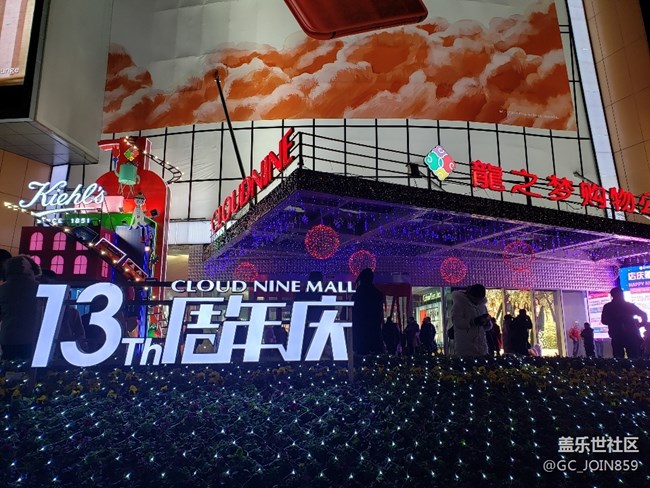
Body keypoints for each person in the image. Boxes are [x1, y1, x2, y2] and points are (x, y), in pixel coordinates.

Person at [0, 255, 41, 360]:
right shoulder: (40, 288)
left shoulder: (2, 289)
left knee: (8, 365)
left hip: (8, 337)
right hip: (34, 337)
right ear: (30, 270)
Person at [601, 287, 646, 359]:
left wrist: (613, 321)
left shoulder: (608, 306)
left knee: (619, 358)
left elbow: (604, 320)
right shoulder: (628, 306)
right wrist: (640, 324)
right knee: (633, 357)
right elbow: (643, 315)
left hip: (618, 335)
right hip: (628, 335)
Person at [450, 284, 492, 356]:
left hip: (481, 345)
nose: (477, 301)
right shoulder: (460, 303)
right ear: (470, 295)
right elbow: (457, 322)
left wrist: (486, 322)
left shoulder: (482, 305)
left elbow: (487, 326)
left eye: (480, 299)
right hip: (466, 346)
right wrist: (473, 322)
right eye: (476, 298)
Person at [352, 268, 384, 355]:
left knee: (361, 354)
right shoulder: (378, 294)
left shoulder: (357, 295)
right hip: (374, 331)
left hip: (360, 332)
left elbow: (353, 314)